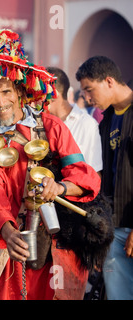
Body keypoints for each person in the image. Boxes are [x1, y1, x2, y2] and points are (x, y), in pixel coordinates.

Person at [0, 29, 106, 300]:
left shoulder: (51, 126)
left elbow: (85, 177)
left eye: (6, 92)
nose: (0, 103)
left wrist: (60, 187)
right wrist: (8, 232)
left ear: (20, 90)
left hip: (52, 239)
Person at [76, 56, 133, 300]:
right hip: (113, 226)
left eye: (90, 90)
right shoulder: (106, 119)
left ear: (109, 81)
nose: (88, 98)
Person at [46, 67, 103, 176]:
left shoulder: (86, 124)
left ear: (53, 94)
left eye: (40, 92)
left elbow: (94, 174)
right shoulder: (39, 122)